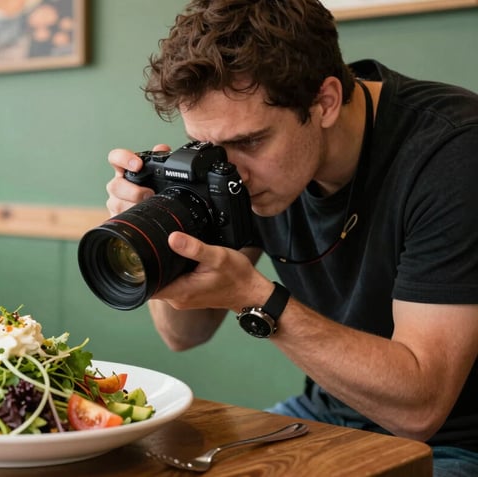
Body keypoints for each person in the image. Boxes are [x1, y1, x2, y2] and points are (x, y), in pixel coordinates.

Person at [104, 1, 478, 475]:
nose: (230, 170)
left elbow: (420, 410)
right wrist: (159, 234)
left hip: (455, 444)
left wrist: (254, 299)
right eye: (212, 148)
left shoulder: (452, 152)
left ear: (325, 102)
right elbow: (183, 335)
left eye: (251, 142)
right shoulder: (244, 167)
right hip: (329, 414)